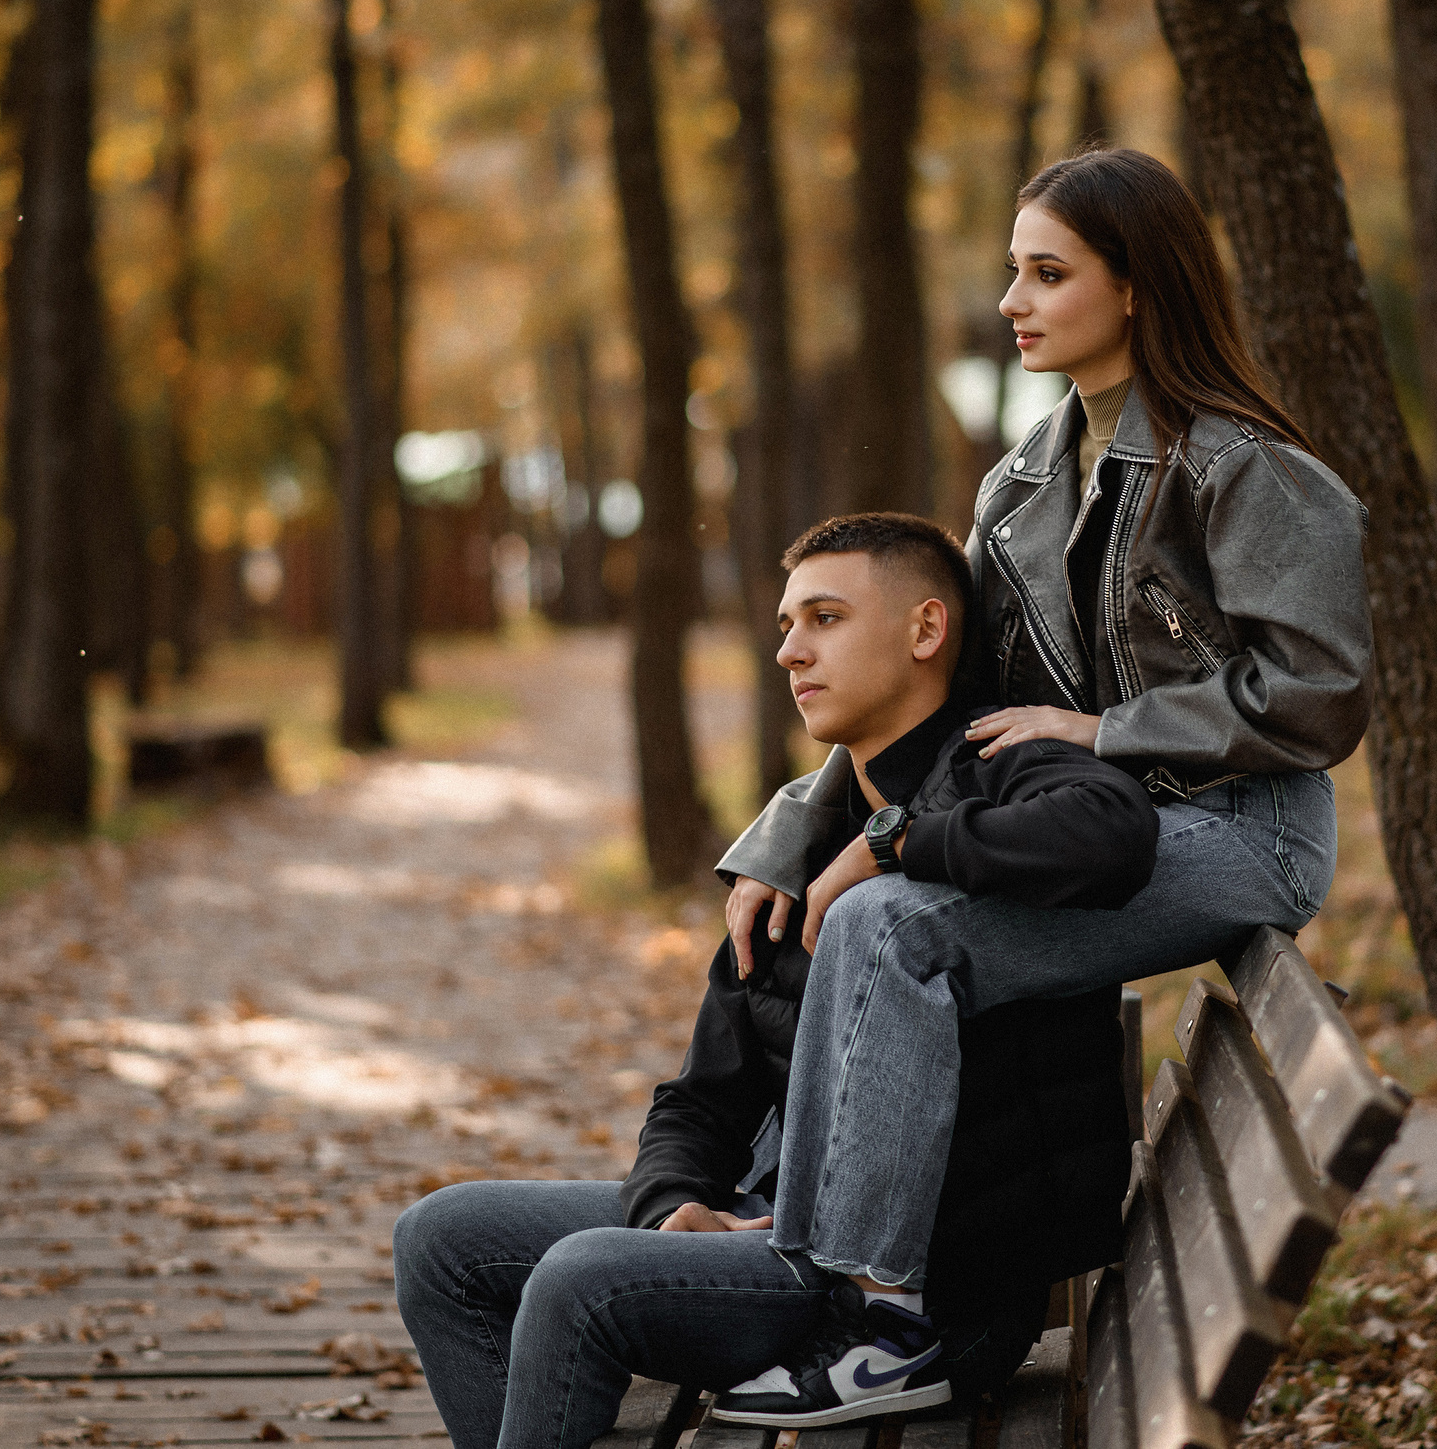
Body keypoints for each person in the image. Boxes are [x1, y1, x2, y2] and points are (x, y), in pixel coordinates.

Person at [714, 147, 1373, 1420]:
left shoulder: (1241, 471)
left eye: (1048, 273)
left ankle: (882, 1319)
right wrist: (790, 830)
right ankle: (805, 1276)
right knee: (862, 915)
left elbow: (1319, 696)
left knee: (899, 928)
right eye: (1011, 271)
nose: (1013, 299)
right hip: (1087, 832)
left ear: (1135, 287)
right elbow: (940, 693)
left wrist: (1105, 732)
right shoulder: (1016, 490)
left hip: (1240, 836)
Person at [392, 513, 1155, 1449]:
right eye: (787, 625)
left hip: (914, 1291)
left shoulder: (1002, 772)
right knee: (441, 1238)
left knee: (578, 1279)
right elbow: (696, 1102)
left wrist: (897, 847)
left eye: (826, 618)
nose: (791, 651)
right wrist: (669, 1210)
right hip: (770, 1225)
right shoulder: (798, 844)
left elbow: (1114, 832)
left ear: (925, 631)